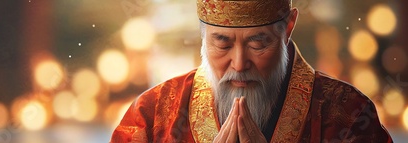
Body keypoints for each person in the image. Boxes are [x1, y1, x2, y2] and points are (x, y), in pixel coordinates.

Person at [111, 0, 393, 142]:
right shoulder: (152, 116)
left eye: (258, 43)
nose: (238, 64)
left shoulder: (350, 116)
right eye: (221, 43)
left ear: (288, 29)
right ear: (203, 35)